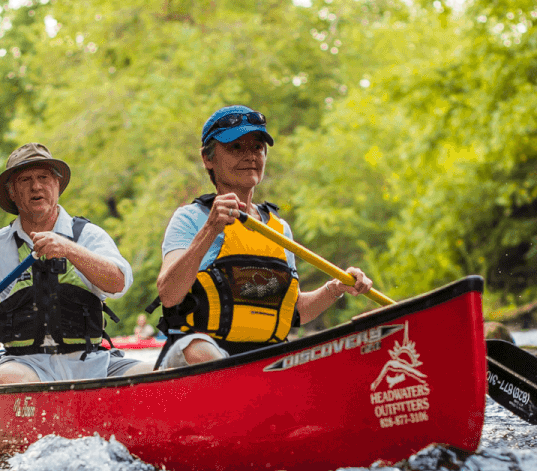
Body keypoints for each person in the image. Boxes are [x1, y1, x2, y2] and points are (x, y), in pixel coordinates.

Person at [152, 106, 372, 369]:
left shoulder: (280, 229)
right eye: (236, 147)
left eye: (257, 147)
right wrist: (210, 229)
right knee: (202, 352)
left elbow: (295, 311)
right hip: (200, 360)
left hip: (263, 363)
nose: (250, 156)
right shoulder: (191, 219)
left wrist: (336, 288)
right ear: (207, 158)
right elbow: (169, 294)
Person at [0, 143, 145, 383]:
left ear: (56, 185)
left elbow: (118, 282)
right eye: (25, 180)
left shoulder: (89, 235)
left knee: (152, 373)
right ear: (12, 192)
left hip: (92, 363)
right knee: (10, 378)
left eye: (43, 177)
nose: (36, 186)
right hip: (24, 365)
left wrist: (69, 249)